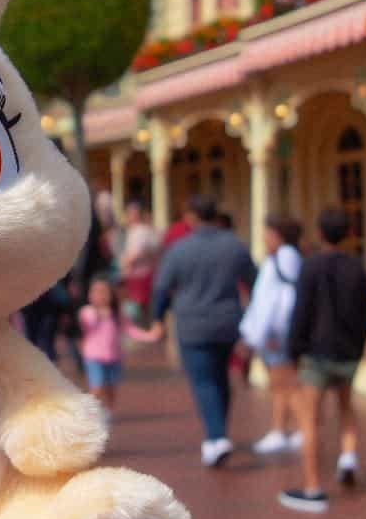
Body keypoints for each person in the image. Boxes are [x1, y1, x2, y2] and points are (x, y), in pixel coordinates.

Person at [150, 195, 257, 467]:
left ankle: (216, 436)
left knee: (204, 382)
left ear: (191, 217)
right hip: (229, 322)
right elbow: (255, 282)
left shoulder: (179, 249)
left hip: (193, 325)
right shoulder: (234, 245)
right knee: (220, 378)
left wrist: (158, 317)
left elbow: (162, 287)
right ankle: (218, 432)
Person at [279, 207, 366, 513]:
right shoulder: (357, 267)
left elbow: (301, 312)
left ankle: (313, 486)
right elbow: (365, 313)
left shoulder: (311, 266)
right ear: (348, 233)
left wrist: (294, 350)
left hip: (317, 352)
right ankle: (348, 456)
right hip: (347, 351)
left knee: (311, 420)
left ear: (319, 233)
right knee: (346, 407)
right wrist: (358, 347)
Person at [239, 216, 303, 455]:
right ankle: (287, 428)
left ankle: (293, 428)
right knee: (280, 383)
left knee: (283, 383)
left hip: (276, 332)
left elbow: (276, 300)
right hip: (273, 331)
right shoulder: (283, 259)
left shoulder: (283, 259)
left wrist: (267, 331)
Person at [78, 274, 159, 416]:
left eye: (104, 292)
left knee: (111, 388)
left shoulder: (116, 313)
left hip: (114, 357)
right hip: (94, 357)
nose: (100, 295)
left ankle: (108, 412)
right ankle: (91, 414)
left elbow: (131, 329)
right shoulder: (87, 312)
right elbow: (85, 326)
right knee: (97, 386)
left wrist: (150, 335)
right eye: (96, 292)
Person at [119, 201, 159, 323]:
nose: (128, 217)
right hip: (144, 274)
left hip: (139, 276)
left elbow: (136, 253)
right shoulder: (144, 230)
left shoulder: (140, 231)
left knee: (137, 308)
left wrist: (124, 265)